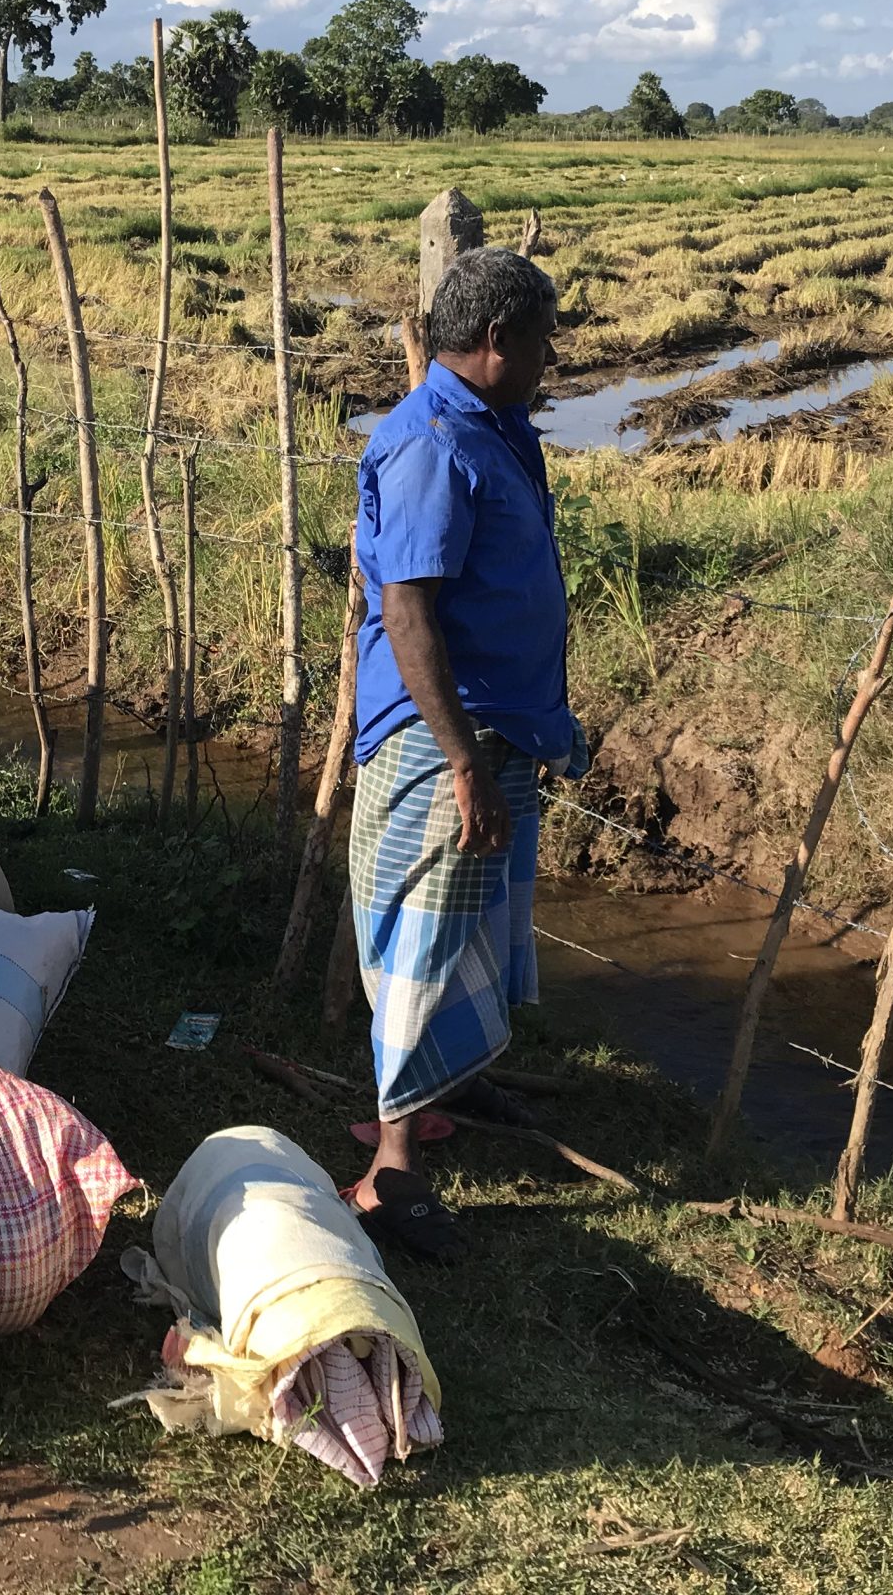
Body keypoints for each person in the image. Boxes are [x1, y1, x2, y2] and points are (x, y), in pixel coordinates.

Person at [347, 247, 586, 1263]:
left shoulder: (494, 430)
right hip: (444, 738)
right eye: (539, 341)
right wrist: (458, 759)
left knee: (479, 923)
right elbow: (406, 609)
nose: (547, 358)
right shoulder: (433, 446)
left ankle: (453, 1076)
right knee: (423, 938)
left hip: (495, 727)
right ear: (495, 342)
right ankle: (390, 1171)